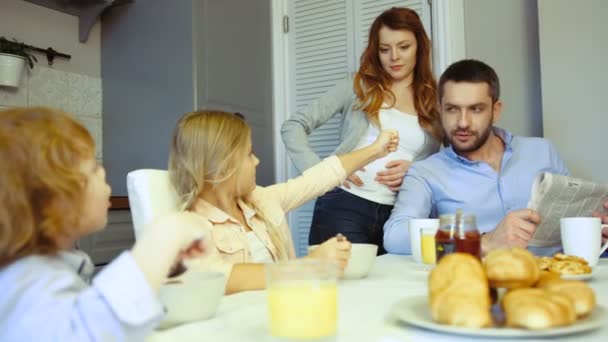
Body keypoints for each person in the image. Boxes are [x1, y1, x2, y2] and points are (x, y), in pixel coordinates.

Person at [0, 107, 209, 340]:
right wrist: (161, 239)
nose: (104, 173)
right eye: (93, 169)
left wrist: (162, 265)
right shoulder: (24, 280)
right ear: (50, 200)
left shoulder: (51, 264)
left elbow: (88, 305)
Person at [168, 110, 398, 294]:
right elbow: (218, 278)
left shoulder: (262, 200)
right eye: (249, 154)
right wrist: (309, 266)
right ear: (220, 169)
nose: (257, 161)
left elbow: (320, 177)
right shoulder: (188, 227)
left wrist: (375, 150)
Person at [281, 7, 442, 254]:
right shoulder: (357, 86)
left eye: (404, 47)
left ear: (420, 46)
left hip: (399, 216)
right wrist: (324, 173)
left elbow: (453, 159)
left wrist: (417, 170)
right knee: (343, 289)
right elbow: (293, 127)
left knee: (391, 290)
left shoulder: (434, 100)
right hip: (344, 206)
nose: (394, 57)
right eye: (385, 49)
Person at [383, 59, 569, 256]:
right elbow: (395, 236)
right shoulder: (425, 172)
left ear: (495, 111)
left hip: (556, 277)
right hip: (480, 282)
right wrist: (482, 242)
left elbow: (572, 216)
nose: (463, 122)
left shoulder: (543, 151)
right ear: (440, 110)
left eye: (476, 109)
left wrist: (599, 226)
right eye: (452, 109)